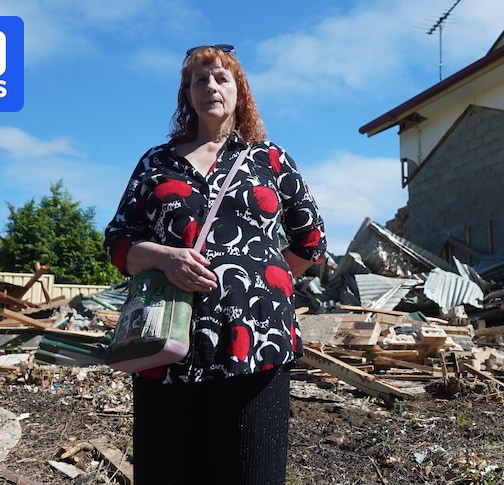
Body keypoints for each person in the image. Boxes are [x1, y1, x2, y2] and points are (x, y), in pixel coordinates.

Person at [104, 43, 326, 484]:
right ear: (186, 94)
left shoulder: (272, 160)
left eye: (221, 78)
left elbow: (312, 240)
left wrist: (268, 280)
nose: (210, 86)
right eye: (198, 80)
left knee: (251, 474)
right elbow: (118, 243)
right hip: (167, 346)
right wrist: (164, 258)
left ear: (238, 90)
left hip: (257, 343)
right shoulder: (156, 163)